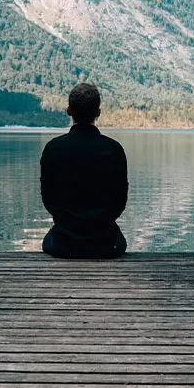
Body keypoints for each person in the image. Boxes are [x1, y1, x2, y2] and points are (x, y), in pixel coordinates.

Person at [39, 83, 128, 259]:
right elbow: (120, 200)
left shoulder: (53, 149)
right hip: (106, 244)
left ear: (69, 111)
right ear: (98, 112)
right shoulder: (114, 150)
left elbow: (48, 198)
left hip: (63, 243)